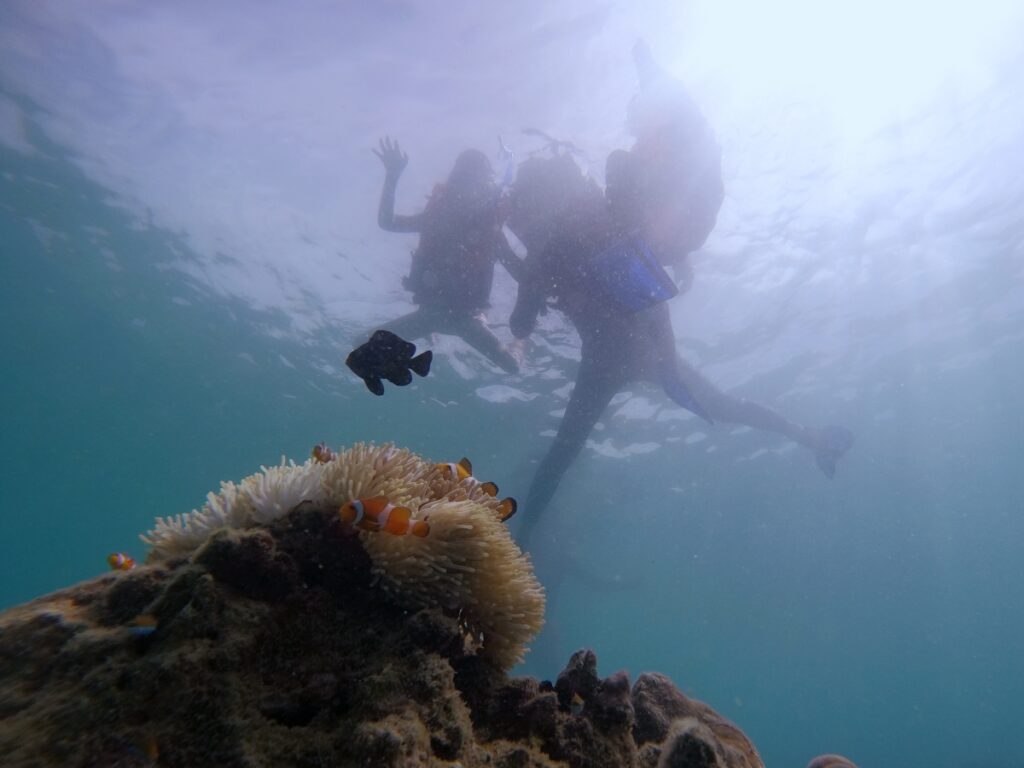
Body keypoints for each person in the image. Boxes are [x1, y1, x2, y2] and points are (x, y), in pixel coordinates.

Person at [506, 149, 854, 548]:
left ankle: (522, 540)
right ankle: (808, 435)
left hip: (603, 363)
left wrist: (508, 254)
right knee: (724, 405)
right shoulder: (610, 221)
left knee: (561, 455)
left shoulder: (547, 251)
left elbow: (521, 323)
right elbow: (657, 279)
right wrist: (668, 357)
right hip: (651, 349)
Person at [371, 136, 523, 373]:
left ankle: (520, 345)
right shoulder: (436, 219)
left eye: (474, 181)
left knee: (512, 365)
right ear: (454, 182)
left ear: (486, 188)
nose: (467, 189)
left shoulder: (489, 231)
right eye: (463, 179)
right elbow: (387, 222)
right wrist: (392, 175)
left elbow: (519, 273)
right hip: (430, 314)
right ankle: (407, 363)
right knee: (360, 347)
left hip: (467, 319)